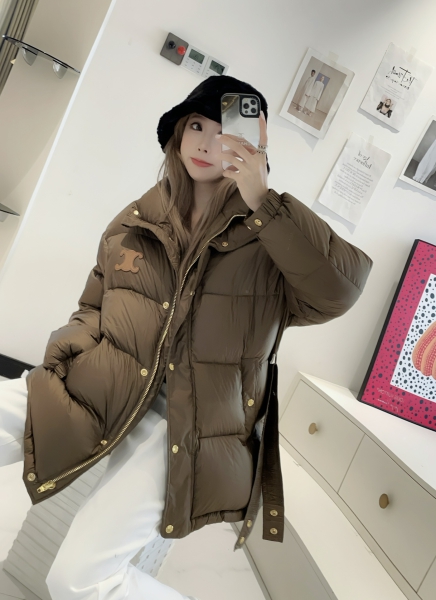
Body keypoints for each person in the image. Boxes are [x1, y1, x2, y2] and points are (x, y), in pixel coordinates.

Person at [0, 75, 373, 600]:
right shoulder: (137, 219)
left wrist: (265, 201)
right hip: (105, 381)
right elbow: (94, 304)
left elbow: (340, 291)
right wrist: (68, 359)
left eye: (224, 132)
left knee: (76, 579)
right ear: (178, 133)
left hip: (185, 424)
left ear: (253, 144)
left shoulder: (270, 239)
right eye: (196, 125)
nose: (205, 142)